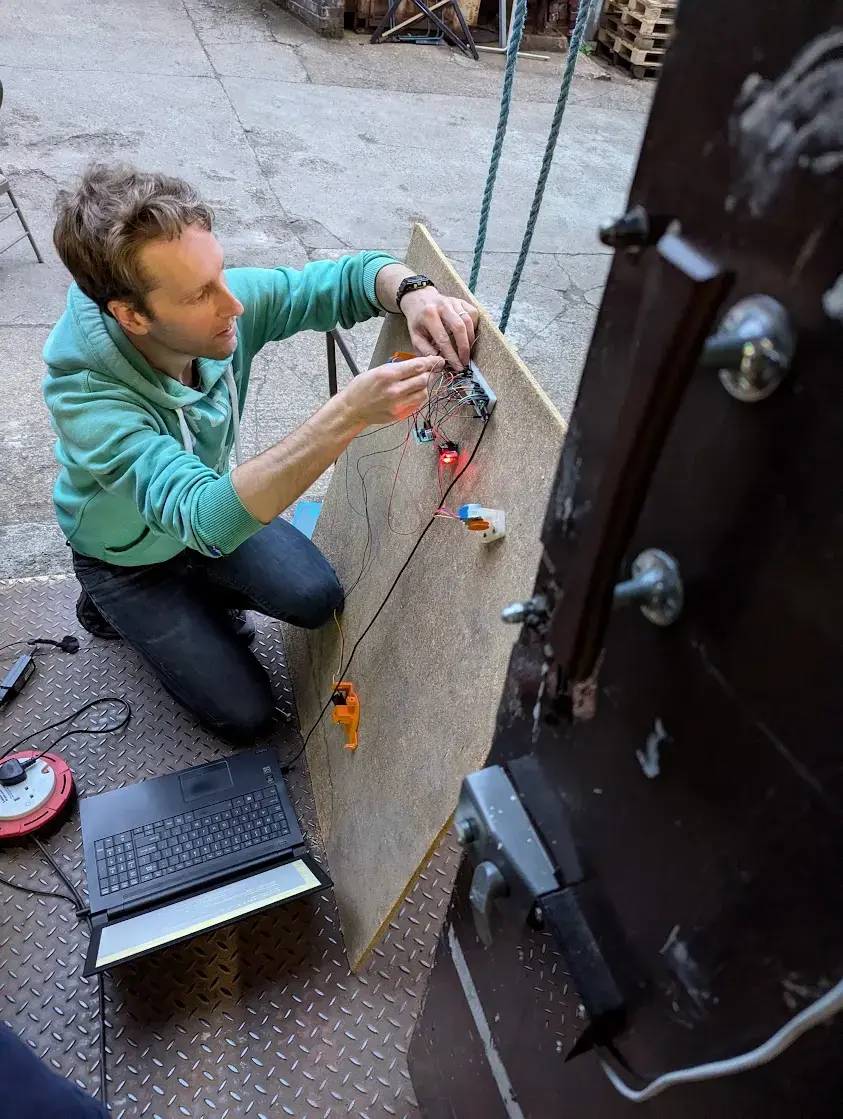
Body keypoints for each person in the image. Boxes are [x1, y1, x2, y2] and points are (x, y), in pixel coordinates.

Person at [43, 164, 479, 741]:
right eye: (202, 293)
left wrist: (414, 292)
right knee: (245, 718)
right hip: (129, 562)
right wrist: (347, 413)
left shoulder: (213, 309)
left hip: (211, 512)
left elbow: (345, 281)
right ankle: (109, 607)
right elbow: (203, 516)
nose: (234, 304)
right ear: (132, 315)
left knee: (317, 600)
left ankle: (201, 600)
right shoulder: (84, 393)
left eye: (220, 273)